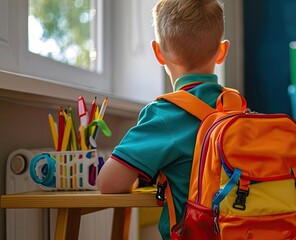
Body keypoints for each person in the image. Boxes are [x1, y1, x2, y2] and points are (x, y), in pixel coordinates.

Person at [96, 0, 230, 239]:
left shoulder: (164, 114)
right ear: (222, 51)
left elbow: (107, 184)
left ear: (158, 52)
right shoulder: (237, 107)